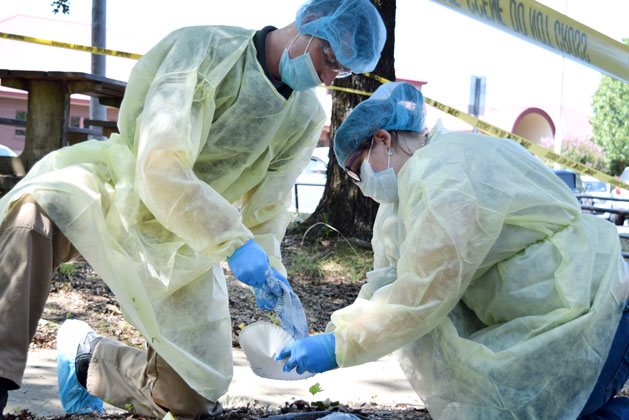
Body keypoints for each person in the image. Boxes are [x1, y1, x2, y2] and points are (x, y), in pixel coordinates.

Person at [0, 0, 386, 418]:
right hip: (123, 189)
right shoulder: (205, 49)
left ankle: (86, 360)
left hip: (188, 240)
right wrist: (233, 242)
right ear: (308, 23)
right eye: (328, 58)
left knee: (191, 402)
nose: (328, 76)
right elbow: (160, 163)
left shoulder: (305, 116)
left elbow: (269, 208)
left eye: (342, 71)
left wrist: (269, 268)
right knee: (31, 217)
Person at [277, 82, 629, 420]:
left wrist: (339, 347)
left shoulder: (444, 175)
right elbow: (388, 283)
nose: (362, 185)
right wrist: (335, 333)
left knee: (537, 409)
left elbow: (422, 292)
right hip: (558, 314)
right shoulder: (405, 196)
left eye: (357, 172)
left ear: (383, 140)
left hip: (595, 308)